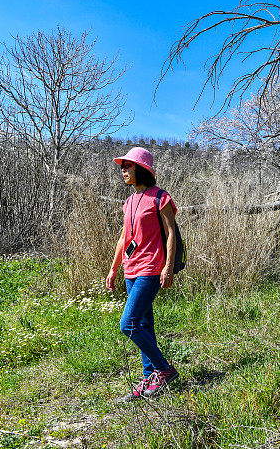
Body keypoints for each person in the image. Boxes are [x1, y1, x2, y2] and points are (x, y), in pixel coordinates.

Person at [106, 146, 179, 402]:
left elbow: (170, 233)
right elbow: (124, 237)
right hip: (131, 269)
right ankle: (149, 378)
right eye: (122, 166)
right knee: (144, 325)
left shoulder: (161, 198)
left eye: (128, 166)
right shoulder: (128, 201)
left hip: (151, 269)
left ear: (142, 168)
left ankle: (164, 369)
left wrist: (168, 267)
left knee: (128, 324)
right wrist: (114, 269)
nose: (123, 170)